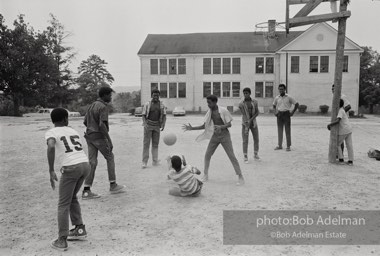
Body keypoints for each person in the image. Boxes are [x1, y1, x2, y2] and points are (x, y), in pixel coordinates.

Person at [45, 108, 90, 251]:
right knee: (71, 198)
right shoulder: (72, 130)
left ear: (53, 120)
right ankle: (79, 229)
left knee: (63, 203)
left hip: (71, 167)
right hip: (85, 165)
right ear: (65, 119)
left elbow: (51, 145)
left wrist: (51, 169)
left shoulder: (52, 132)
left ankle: (62, 240)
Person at [182, 95, 245, 185]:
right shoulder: (209, 112)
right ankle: (206, 175)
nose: (208, 104)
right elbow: (204, 126)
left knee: (231, 156)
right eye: (207, 102)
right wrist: (192, 128)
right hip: (215, 136)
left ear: (215, 102)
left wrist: (221, 127)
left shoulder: (223, 110)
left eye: (209, 103)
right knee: (207, 155)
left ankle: (240, 177)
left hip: (224, 136)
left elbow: (229, 124)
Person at [82, 86, 125, 199]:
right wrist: (108, 140)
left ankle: (86, 190)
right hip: (99, 137)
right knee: (110, 157)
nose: (110, 97)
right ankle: (113, 185)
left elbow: (85, 121)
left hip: (89, 136)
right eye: (109, 95)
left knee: (92, 162)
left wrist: (92, 129)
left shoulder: (92, 105)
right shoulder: (103, 107)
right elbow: (102, 125)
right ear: (104, 95)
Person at [142, 89, 167, 168]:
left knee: (155, 145)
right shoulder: (147, 104)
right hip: (148, 125)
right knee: (146, 144)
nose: (155, 97)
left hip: (157, 126)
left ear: (159, 96)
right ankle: (144, 162)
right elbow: (143, 115)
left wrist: (163, 124)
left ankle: (155, 161)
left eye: (157, 95)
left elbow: (164, 116)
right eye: (154, 95)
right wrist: (145, 123)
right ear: (151, 95)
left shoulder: (162, 105)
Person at [327, 99, 354, 165]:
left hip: (344, 130)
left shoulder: (340, 110)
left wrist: (330, 125)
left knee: (337, 144)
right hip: (349, 129)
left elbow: (338, 120)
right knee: (349, 145)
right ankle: (350, 161)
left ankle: (341, 159)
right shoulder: (342, 110)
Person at [273, 84, 299, 151]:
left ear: (285, 89)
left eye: (282, 89)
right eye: (280, 89)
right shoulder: (277, 98)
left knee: (287, 130)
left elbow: (296, 104)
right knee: (280, 130)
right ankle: (280, 145)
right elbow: (274, 105)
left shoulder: (289, 97)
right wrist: (275, 112)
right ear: (278, 89)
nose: (281, 90)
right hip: (279, 114)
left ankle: (288, 146)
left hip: (286, 114)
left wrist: (292, 112)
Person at [239, 87, 260, 163]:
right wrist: (247, 122)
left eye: (247, 93)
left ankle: (255, 154)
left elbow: (257, 112)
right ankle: (245, 156)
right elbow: (243, 114)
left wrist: (251, 120)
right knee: (245, 140)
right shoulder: (241, 103)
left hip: (253, 123)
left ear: (250, 93)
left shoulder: (255, 102)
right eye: (244, 93)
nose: (245, 95)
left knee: (256, 139)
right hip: (245, 123)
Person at [332, 84, 351, 157]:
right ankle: (338, 153)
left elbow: (349, 106)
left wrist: (341, 113)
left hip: (342, 120)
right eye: (332, 89)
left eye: (334, 89)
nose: (333, 91)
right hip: (338, 118)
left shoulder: (342, 97)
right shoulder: (335, 97)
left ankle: (341, 154)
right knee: (338, 136)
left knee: (341, 137)